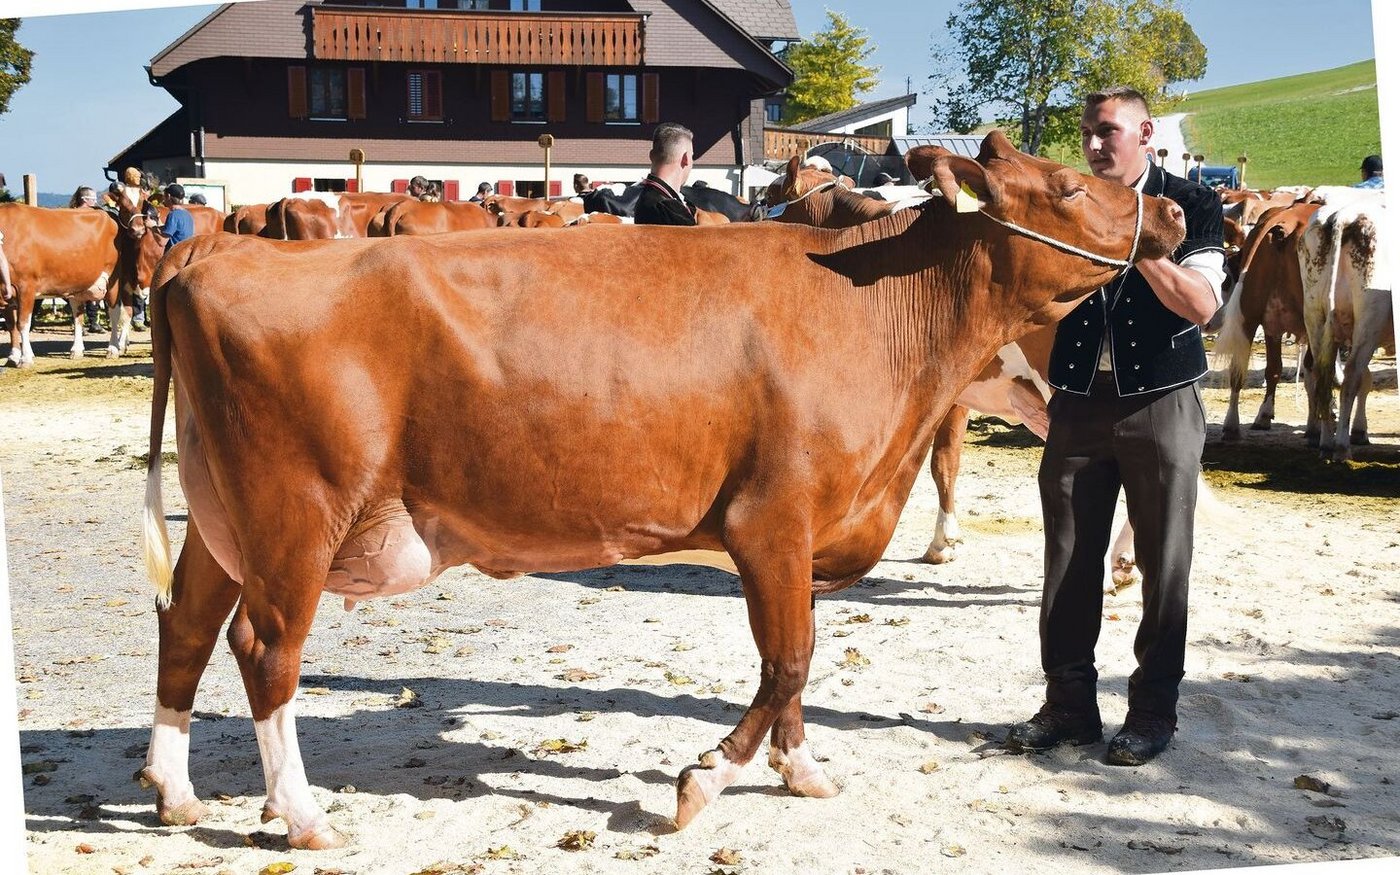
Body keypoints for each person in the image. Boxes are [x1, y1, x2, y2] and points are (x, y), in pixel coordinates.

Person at [1006, 86, 1226, 767]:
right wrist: (1017, 379)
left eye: (1108, 131)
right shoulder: (1067, 203)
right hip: (1075, 402)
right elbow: (1022, 296)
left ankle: (1154, 709)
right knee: (1067, 558)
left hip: (1162, 401)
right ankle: (1069, 705)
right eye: (1088, 133)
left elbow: (1202, 308)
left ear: (1145, 132)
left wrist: (1135, 240)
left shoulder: (1192, 203)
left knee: (1163, 562)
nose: (1096, 144)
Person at [141, 184, 195, 330]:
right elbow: (171, 231)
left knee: (160, 294)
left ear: (169, 197)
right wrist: (158, 224)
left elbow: (162, 241)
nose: (163, 199)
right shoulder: (187, 215)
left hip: (174, 260)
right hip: (187, 258)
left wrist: (151, 226)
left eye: (164, 196)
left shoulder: (173, 214)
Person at [634, 122, 697, 226]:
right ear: (685, 158)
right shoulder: (667, 209)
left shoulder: (647, 199)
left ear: (651, 155)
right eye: (692, 156)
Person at [68, 187, 104, 331]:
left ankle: (88, 321)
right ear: (85, 200)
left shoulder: (72, 214)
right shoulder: (90, 216)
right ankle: (90, 321)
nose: (95, 202)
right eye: (93, 199)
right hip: (83, 255)